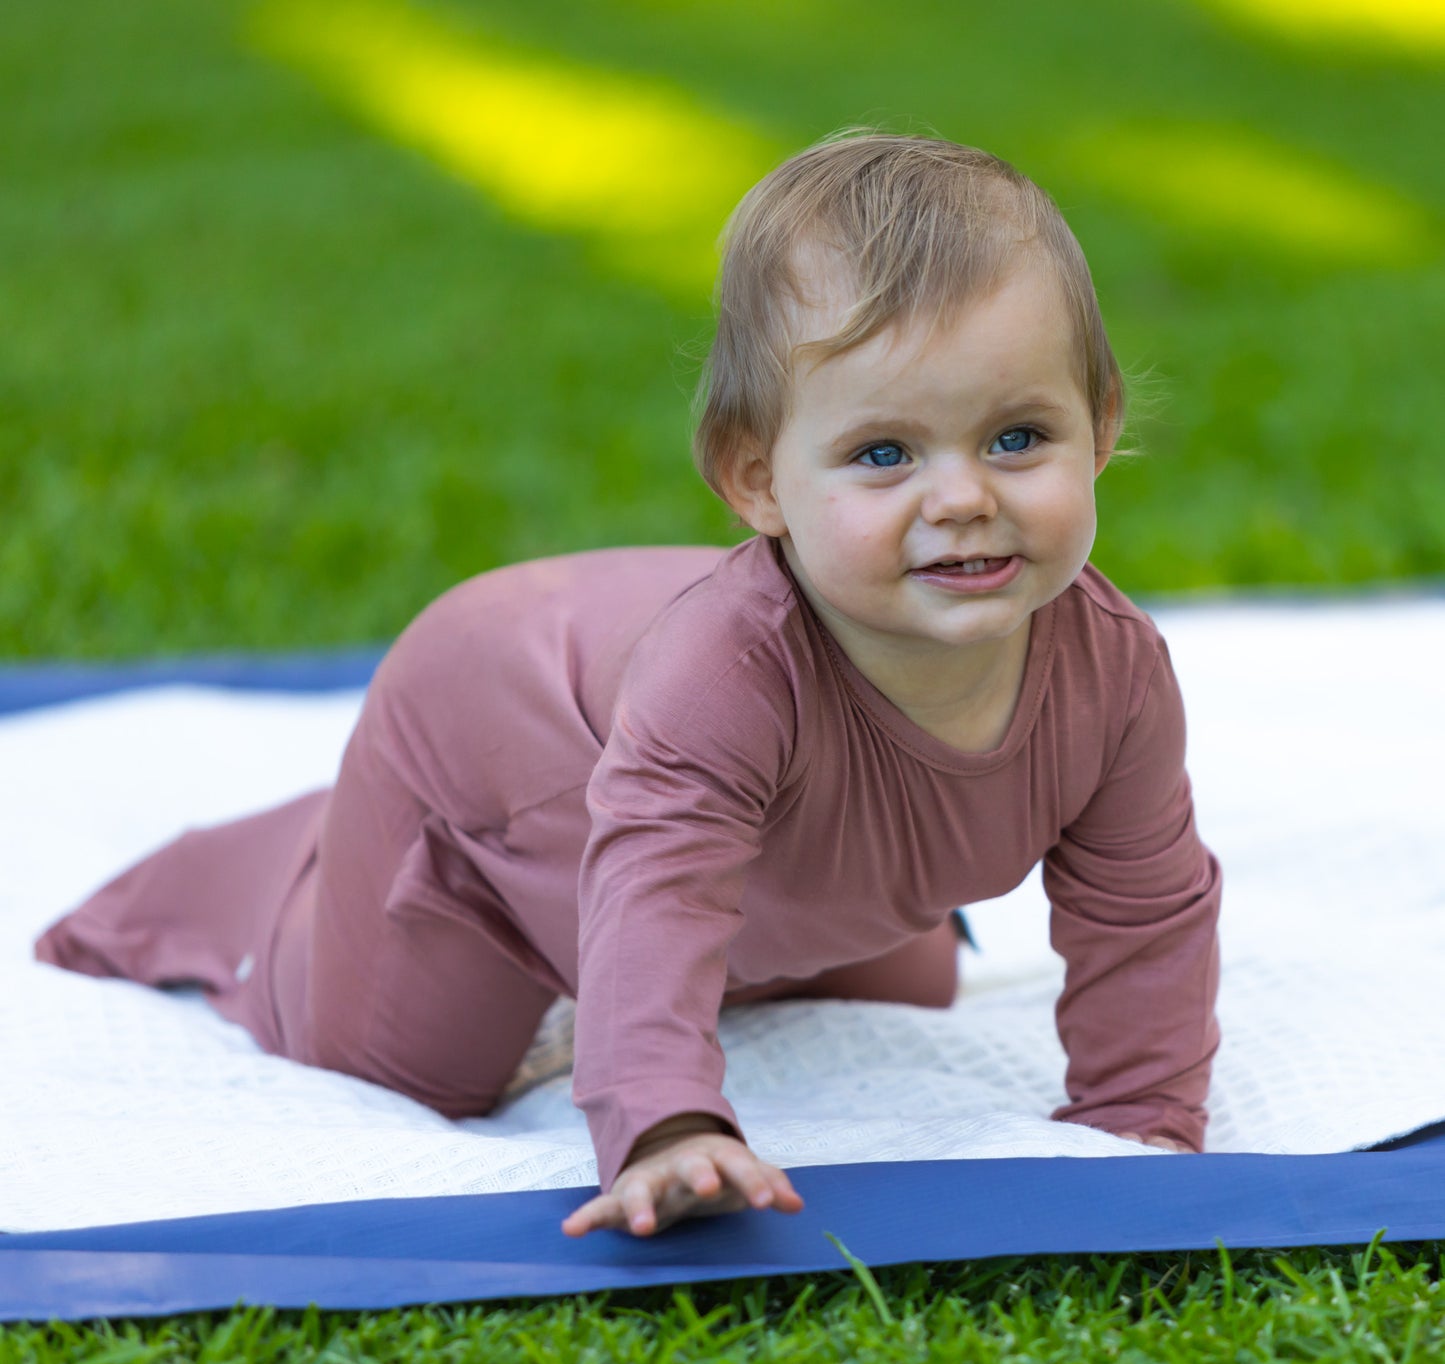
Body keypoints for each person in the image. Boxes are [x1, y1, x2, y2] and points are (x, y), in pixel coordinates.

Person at [35, 131, 1221, 1239]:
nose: (963, 496)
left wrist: (1139, 1123)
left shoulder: (1109, 669)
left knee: (908, 980)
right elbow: (657, 896)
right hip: (495, 754)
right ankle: (263, 868)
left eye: (1017, 437)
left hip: (718, 772)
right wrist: (665, 1120)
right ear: (758, 482)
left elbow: (1146, 904)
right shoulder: (730, 675)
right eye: (882, 454)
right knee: (400, 1059)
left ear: (1100, 424)